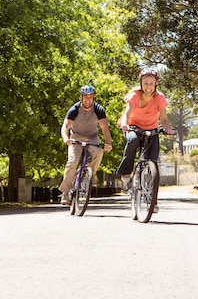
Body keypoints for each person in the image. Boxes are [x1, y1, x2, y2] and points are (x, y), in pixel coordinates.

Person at [115, 68, 174, 209]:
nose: (148, 87)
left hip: (151, 129)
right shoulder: (135, 95)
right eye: (146, 83)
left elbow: (164, 119)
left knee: (153, 163)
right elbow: (127, 112)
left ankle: (152, 201)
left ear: (156, 84)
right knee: (133, 140)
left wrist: (168, 129)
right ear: (141, 83)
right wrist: (124, 124)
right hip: (133, 127)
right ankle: (126, 174)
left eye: (151, 83)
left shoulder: (160, 98)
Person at [59, 85, 113, 205]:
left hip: (92, 138)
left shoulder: (99, 109)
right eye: (85, 97)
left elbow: (104, 128)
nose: (88, 100)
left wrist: (108, 143)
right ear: (81, 97)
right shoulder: (74, 109)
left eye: (90, 97)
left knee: (99, 151)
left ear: (93, 98)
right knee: (72, 162)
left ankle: (89, 174)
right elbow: (65, 127)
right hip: (76, 138)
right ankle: (65, 192)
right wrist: (66, 139)